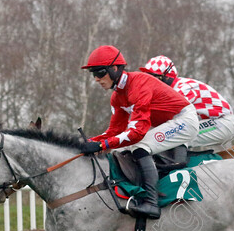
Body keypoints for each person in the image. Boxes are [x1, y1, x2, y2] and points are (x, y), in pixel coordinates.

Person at [81, 45, 198, 219]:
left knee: (140, 146)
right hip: (167, 123)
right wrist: (89, 142)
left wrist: (102, 144)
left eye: (99, 72)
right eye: (93, 74)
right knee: (124, 149)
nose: (96, 79)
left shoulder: (139, 84)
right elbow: (115, 130)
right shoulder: (117, 97)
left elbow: (137, 132)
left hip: (184, 120)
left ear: (114, 68)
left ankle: (151, 203)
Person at [140, 56, 234, 151]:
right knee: (170, 133)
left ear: (167, 77)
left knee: (176, 134)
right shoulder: (169, 90)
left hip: (221, 123)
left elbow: (167, 117)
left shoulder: (182, 88)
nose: (150, 82)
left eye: (154, 78)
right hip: (211, 121)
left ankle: (177, 164)